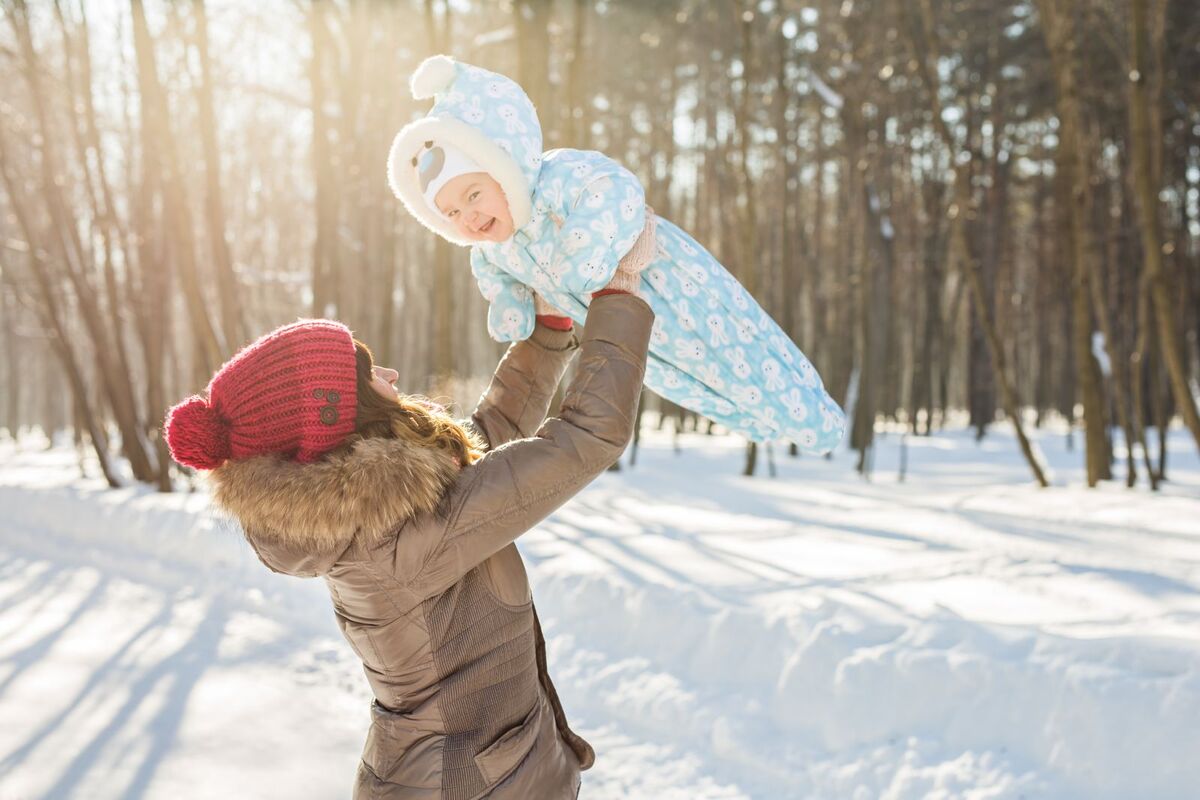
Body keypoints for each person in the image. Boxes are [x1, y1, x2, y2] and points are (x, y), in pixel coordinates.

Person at [163, 284, 653, 799]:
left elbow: (489, 439)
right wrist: (618, 297)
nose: (390, 375)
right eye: (369, 371)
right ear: (340, 415)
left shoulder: (381, 517)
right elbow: (587, 436)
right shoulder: (396, 541)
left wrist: (548, 333)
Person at [387, 54, 845, 453]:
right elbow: (494, 275)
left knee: (741, 347)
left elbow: (614, 187)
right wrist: (511, 305)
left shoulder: (554, 178)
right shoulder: (495, 250)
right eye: (450, 211)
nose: (468, 216)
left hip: (670, 282)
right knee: (693, 383)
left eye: (473, 194)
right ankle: (775, 429)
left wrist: (584, 251)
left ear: (504, 166)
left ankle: (817, 419)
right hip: (625, 325)